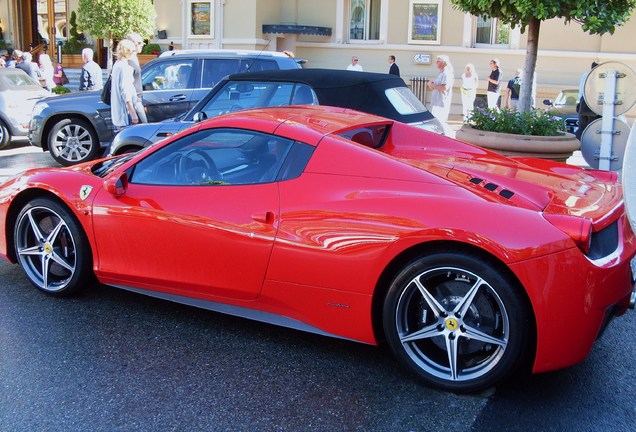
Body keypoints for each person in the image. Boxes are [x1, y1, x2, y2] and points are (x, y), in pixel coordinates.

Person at [110, 39, 139, 131]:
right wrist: (133, 114)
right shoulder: (124, 67)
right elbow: (125, 91)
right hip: (124, 114)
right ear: (128, 51)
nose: (135, 53)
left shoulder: (117, 64)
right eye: (134, 51)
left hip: (118, 114)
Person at [126, 33, 148, 123]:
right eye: (139, 43)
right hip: (134, 102)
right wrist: (132, 111)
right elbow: (126, 87)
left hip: (137, 101)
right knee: (142, 129)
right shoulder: (128, 62)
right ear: (131, 44)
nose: (142, 45)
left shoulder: (133, 59)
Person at [576, 61, 600, 140]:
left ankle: (579, 145)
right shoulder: (599, 77)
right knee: (591, 128)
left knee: (582, 127)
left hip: (582, 105)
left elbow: (580, 93)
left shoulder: (585, 75)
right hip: (593, 106)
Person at [428, 55, 454, 126]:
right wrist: (432, 85)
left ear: (444, 62)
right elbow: (438, 87)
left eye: (438, 61)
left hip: (441, 103)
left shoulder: (446, 73)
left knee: (439, 124)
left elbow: (444, 87)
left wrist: (434, 86)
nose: (436, 62)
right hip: (437, 102)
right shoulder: (441, 73)